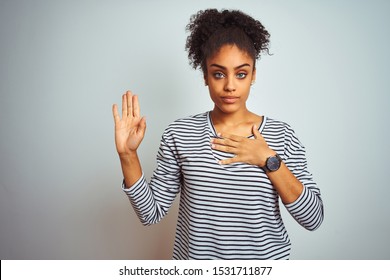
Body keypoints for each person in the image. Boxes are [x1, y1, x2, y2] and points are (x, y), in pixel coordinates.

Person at [112, 9, 324, 260]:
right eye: (219, 73)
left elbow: (313, 219)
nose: (230, 85)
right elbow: (150, 214)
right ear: (205, 76)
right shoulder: (180, 134)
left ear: (253, 75)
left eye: (241, 73)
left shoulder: (282, 135)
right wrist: (128, 155)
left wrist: (268, 159)